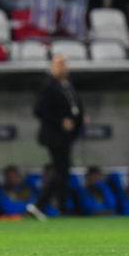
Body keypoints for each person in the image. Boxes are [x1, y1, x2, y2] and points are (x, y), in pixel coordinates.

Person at [29, 55, 86, 220]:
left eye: (64, 63)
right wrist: (60, 122)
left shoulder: (68, 85)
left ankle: (55, 207)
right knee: (61, 170)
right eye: (59, 64)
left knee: (63, 171)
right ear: (53, 67)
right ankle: (42, 204)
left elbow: (75, 106)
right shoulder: (49, 86)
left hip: (66, 136)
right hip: (54, 136)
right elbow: (39, 110)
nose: (63, 67)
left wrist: (80, 119)